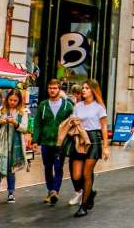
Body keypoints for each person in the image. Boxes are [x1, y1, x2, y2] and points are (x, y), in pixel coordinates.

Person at [69, 80, 109, 218]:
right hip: (79, 139)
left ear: (93, 90)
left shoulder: (99, 107)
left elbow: (104, 127)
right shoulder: (78, 106)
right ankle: (89, 192)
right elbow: (73, 120)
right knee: (76, 175)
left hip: (94, 138)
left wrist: (106, 147)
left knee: (87, 173)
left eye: (87, 88)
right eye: (83, 88)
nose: (84, 90)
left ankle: (83, 206)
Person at [0, 89, 29, 208]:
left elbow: (25, 128)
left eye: (15, 100)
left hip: (15, 146)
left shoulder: (23, 112)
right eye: (11, 100)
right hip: (1, 145)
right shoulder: (0, 110)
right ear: (7, 99)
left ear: (19, 101)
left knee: (11, 171)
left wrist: (15, 123)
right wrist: (0, 122)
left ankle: (11, 192)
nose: (12, 102)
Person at [33, 78, 73, 206]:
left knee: (58, 167)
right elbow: (37, 124)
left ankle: (55, 191)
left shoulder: (67, 106)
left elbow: (73, 122)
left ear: (59, 89)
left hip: (60, 143)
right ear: (48, 89)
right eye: (50, 88)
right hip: (46, 142)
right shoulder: (43, 105)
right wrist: (35, 140)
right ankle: (51, 190)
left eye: (55, 88)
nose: (52, 90)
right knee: (48, 167)